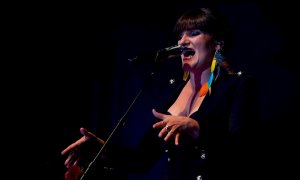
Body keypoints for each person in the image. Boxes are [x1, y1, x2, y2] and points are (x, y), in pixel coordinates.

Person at [61, 7, 260, 180]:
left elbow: (243, 149)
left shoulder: (237, 86)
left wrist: (197, 128)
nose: (182, 41)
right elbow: (141, 160)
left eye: (194, 33)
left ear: (217, 43)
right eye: (180, 36)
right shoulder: (173, 92)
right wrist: (100, 148)